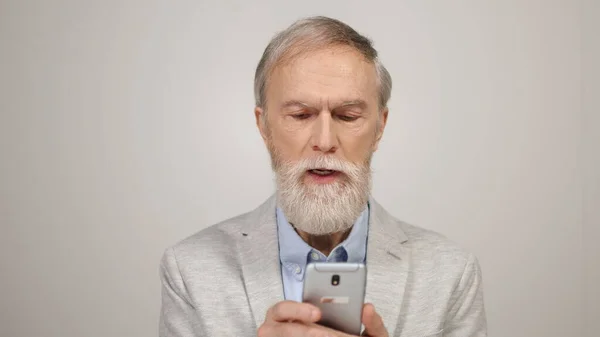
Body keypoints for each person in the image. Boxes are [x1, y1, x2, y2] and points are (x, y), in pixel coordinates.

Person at [158, 16, 487, 337]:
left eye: (348, 115)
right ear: (264, 126)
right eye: (301, 115)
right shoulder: (190, 268)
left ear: (380, 127)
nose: (325, 141)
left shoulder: (451, 272)